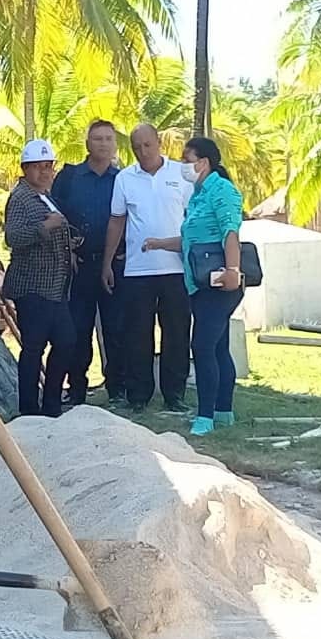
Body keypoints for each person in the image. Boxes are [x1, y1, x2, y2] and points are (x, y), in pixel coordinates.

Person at [143, 137, 244, 436]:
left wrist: (233, 270)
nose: (183, 165)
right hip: (199, 283)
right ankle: (223, 411)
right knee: (218, 345)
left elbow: (230, 232)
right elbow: (191, 240)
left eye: (187, 160)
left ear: (203, 163)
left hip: (219, 283)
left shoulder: (222, 190)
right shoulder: (198, 195)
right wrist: (159, 244)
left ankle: (205, 416)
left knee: (202, 346)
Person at [101, 124, 192, 413]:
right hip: (138, 270)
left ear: (158, 143)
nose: (143, 151)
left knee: (176, 333)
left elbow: (194, 217)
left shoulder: (181, 173)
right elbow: (117, 220)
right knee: (137, 334)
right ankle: (138, 395)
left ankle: (174, 394)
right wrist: (107, 263)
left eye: (147, 145)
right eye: (137, 147)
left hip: (176, 268)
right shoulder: (125, 178)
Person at [50, 119, 126, 405]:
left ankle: (117, 389)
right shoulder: (69, 178)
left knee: (116, 328)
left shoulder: (123, 180)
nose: (103, 144)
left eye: (108, 139)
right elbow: (55, 215)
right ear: (87, 144)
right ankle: (77, 390)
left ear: (115, 144)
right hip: (79, 265)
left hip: (114, 265)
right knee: (78, 329)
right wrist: (67, 251)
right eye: (97, 139)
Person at [3, 138, 76, 418]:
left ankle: (52, 402)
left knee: (66, 341)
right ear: (26, 168)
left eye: (48, 166)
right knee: (34, 348)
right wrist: (45, 226)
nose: (44, 172)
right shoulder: (21, 198)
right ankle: (30, 408)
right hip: (32, 286)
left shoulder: (46, 195)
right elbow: (13, 237)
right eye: (38, 166)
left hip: (56, 287)